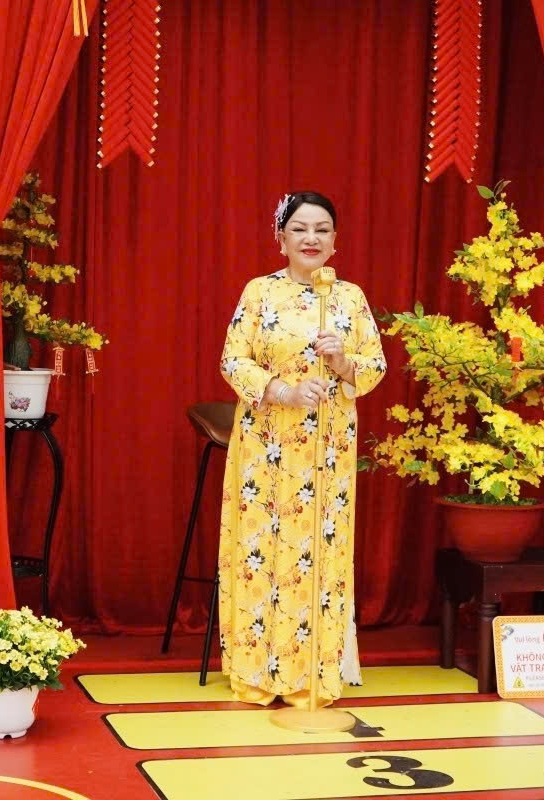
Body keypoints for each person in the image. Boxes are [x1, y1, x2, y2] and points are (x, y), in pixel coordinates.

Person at [218, 191, 387, 708]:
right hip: (264, 449)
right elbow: (232, 360)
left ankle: (309, 676)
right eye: (300, 229)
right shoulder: (258, 293)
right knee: (259, 552)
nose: (311, 238)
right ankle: (254, 674)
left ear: (335, 242)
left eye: (322, 229)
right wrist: (281, 391)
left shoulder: (350, 299)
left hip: (328, 449)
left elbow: (375, 367)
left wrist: (341, 362)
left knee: (318, 553)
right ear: (281, 238)